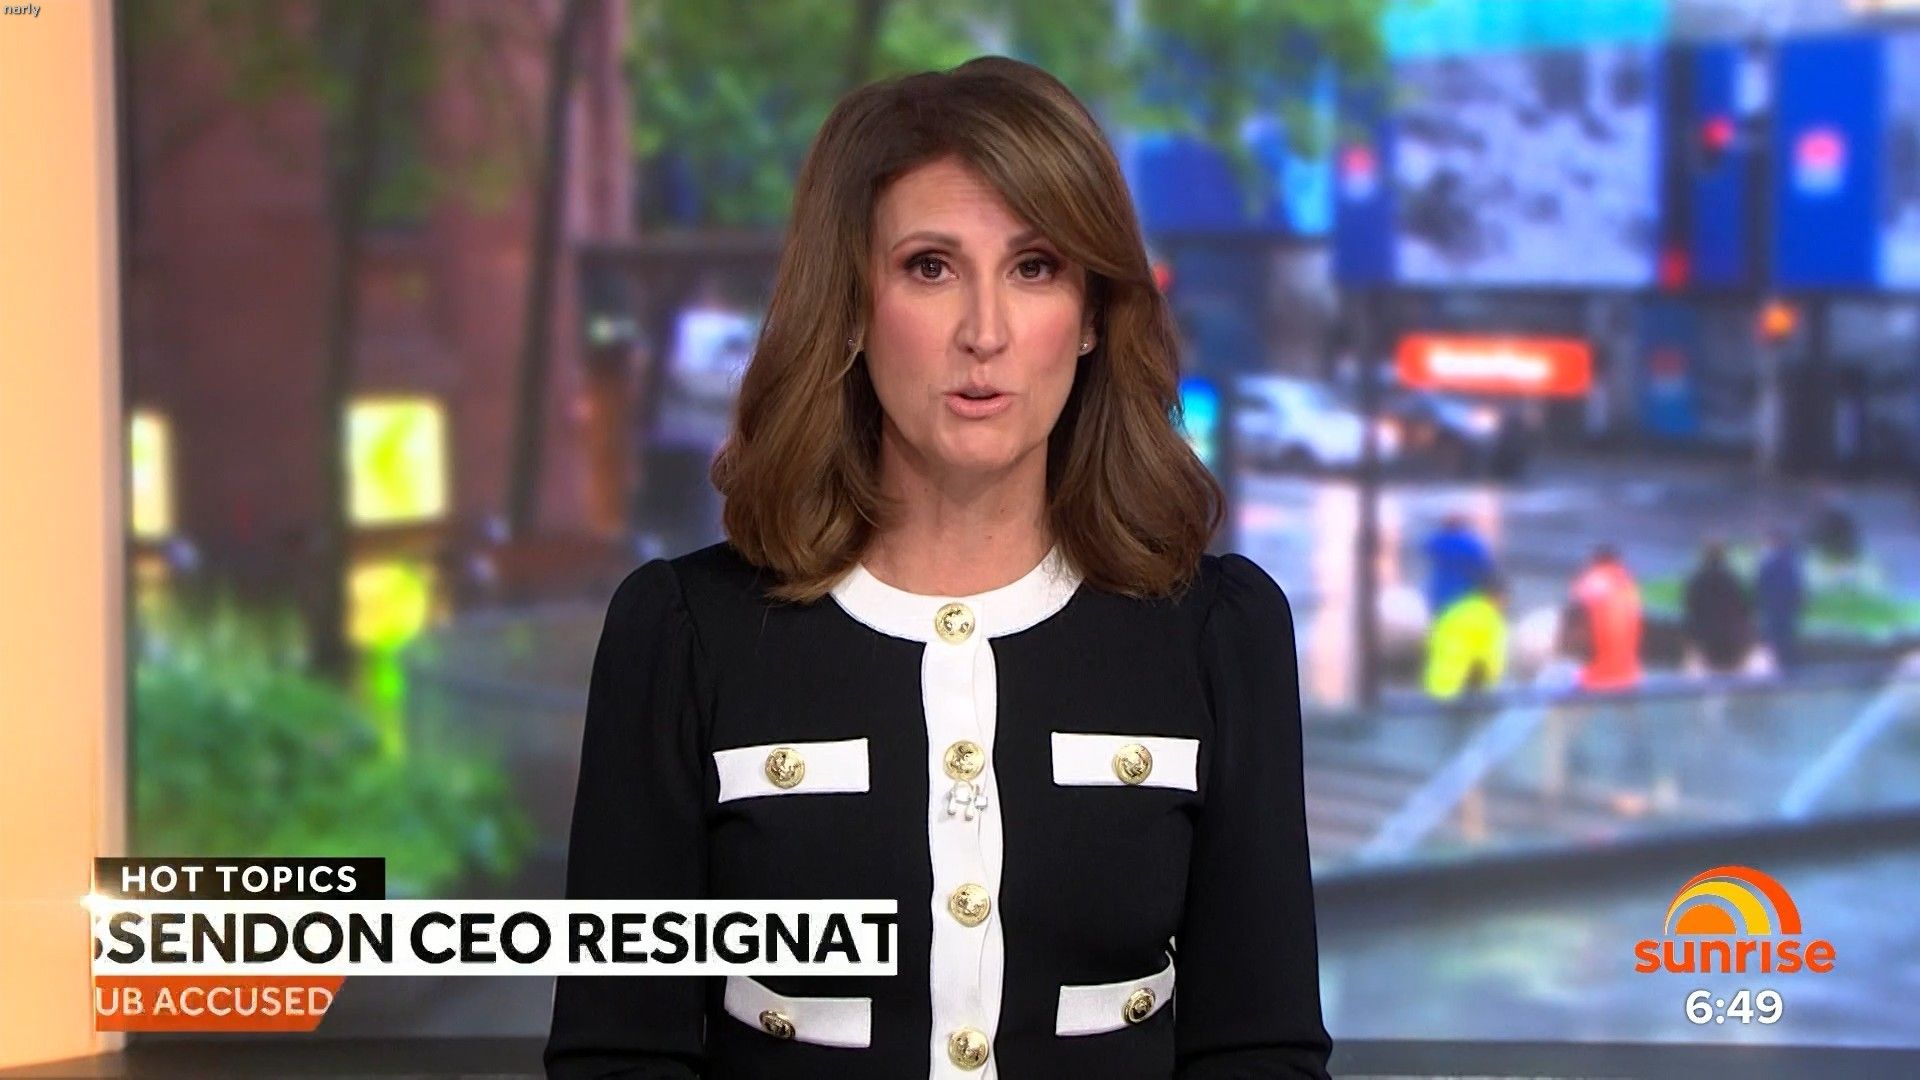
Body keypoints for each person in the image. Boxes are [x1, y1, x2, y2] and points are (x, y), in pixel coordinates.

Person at [546, 57, 1331, 1080]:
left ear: (1093, 315)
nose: (985, 333)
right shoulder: (685, 633)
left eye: (1035, 268)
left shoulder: (1220, 632)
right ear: (851, 304)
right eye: (930, 267)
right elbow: (619, 1055)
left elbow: (1259, 1050)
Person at [1423, 571, 1508, 701]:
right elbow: (1489, 667)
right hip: (1462, 698)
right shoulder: (1490, 620)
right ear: (1497, 596)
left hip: (1432, 689)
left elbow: (1430, 644)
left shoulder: (1453, 610)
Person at [1569, 544, 1642, 691]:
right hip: (1629, 675)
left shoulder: (1594, 579)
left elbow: (1575, 598)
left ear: (1596, 561)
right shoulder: (1629, 585)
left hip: (1599, 676)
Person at [1681, 539, 1754, 675]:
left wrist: (1692, 635)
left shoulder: (1698, 579)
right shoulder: (1731, 578)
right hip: (1728, 635)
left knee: (1710, 674)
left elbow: (1690, 607)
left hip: (1705, 635)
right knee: (1728, 672)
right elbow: (1744, 608)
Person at [1423, 512, 1493, 621]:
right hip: (1464, 590)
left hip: (1440, 589)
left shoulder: (1437, 542)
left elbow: (1426, 547)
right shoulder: (1470, 544)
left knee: (1441, 619)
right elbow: (1484, 565)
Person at [1756, 529, 1807, 672]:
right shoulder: (1787, 559)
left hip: (1778, 605)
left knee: (1779, 636)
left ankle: (1782, 666)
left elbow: (1764, 582)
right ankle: (1783, 665)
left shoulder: (1779, 560)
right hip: (1779, 605)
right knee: (1781, 637)